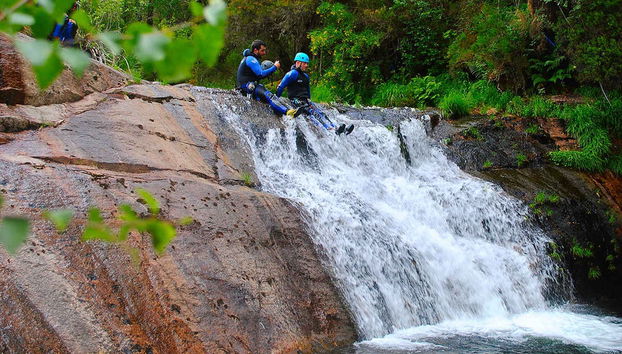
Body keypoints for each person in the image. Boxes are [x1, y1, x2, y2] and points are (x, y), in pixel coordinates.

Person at [276, 52, 354, 135]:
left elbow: (307, 91)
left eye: (307, 63)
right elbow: (280, 87)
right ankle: (329, 129)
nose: (306, 65)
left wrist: (309, 101)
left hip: (306, 100)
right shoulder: (291, 74)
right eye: (305, 63)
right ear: (298, 63)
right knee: (311, 113)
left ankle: (337, 127)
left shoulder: (306, 76)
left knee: (321, 113)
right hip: (295, 100)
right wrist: (276, 100)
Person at [236, 40, 300, 117]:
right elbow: (260, 74)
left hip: (249, 85)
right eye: (262, 50)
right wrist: (275, 67)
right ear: (255, 50)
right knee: (268, 95)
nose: (264, 53)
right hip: (247, 86)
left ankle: (278, 111)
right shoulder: (250, 59)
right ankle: (288, 112)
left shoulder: (251, 58)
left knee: (266, 96)